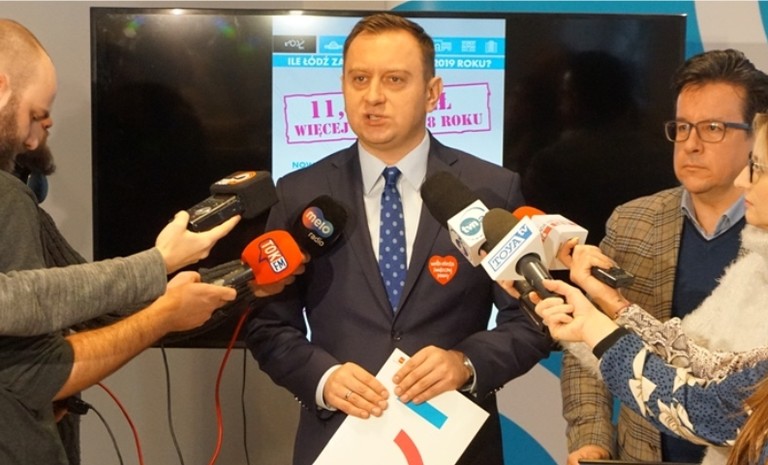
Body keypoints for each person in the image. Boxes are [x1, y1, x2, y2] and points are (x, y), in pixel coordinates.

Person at [245, 12, 552, 465]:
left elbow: (533, 319)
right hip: (338, 440)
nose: (373, 96)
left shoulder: (490, 190)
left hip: (457, 444)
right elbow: (267, 325)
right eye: (359, 79)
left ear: (432, 93)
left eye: (394, 80)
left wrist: (465, 363)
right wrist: (323, 379)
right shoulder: (300, 192)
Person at [560, 48, 768, 464]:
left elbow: (716, 393)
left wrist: (600, 323)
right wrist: (592, 439)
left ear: (755, 135)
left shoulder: (760, 246)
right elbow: (587, 352)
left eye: (712, 128)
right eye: (682, 127)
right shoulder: (633, 221)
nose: (691, 145)